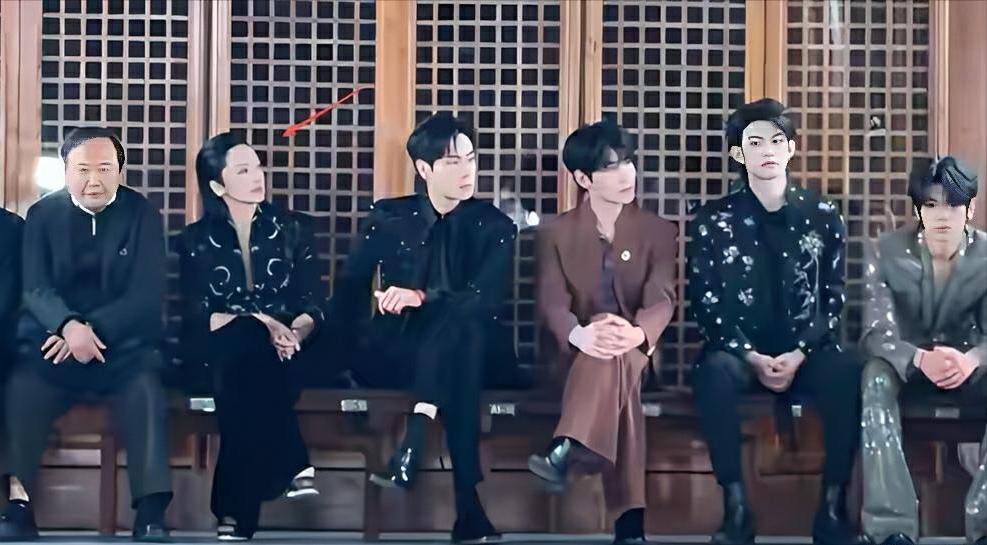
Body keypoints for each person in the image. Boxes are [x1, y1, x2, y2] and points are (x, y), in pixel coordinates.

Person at [319, 112, 516, 544]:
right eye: (452, 162)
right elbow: (350, 292)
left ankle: (418, 434)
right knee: (458, 344)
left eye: (471, 159)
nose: (466, 171)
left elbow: (484, 300)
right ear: (424, 169)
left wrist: (421, 297)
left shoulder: (495, 225)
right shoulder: (389, 218)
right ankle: (467, 507)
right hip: (401, 351)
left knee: (463, 331)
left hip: (478, 355)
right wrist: (336, 351)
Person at [687, 99, 865, 545]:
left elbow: (834, 296)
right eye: (755, 142)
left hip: (806, 349)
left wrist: (800, 352)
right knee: (712, 373)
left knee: (848, 373)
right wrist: (750, 356)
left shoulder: (823, 214)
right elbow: (705, 301)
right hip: (739, 350)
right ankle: (736, 507)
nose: (767, 150)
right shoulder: (712, 219)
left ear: (791, 149)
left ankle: (832, 507)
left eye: (776, 141)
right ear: (737, 153)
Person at [1, 127, 172, 542]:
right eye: (82, 170)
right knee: (22, 389)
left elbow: (146, 294)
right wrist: (67, 326)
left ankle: (151, 512)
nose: (93, 180)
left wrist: (89, 331)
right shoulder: (42, 215)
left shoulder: (142, 214)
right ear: (65, 171)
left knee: (146, 388)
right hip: (55, 344)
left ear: (120, 171)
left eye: (104, 169)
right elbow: (35, 288)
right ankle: (18, 505)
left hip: (121, 346)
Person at [528, 120, 677, 545]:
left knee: (619, 356)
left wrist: (637, 333)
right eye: (611, 167)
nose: (626, 174)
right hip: (574, 358)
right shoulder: (556, 233)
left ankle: (570, 446)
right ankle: (629, 526)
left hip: (637, 350)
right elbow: (552, 302)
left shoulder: (658, 230)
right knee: (611, 363)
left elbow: (662, 296)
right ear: (583, 179)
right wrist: (582, 335)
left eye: (628, 162)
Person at [179, 133, 325, 541]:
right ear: (217, 185)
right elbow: (197, 317)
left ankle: (233, 510)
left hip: (288, 352)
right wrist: (262, 322)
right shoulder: (194, 240)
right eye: (243, 170)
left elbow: (314, 304)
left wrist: (292, 332)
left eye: (259, 167)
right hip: (217, 351)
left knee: (248, 375)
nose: (258, 176)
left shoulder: (294, 229)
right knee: (246, 338)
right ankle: (292, 461)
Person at [860, 156, 987, 545]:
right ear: (918, 210)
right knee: (874, 377)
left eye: (953, 204)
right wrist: (918, 358)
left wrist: (972, 359)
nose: (942, 216)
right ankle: (891, 527)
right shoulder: (886, 251)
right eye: (931, 205)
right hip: (909, 365)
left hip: (970, 366)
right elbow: (875, 333)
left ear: (970, 209)